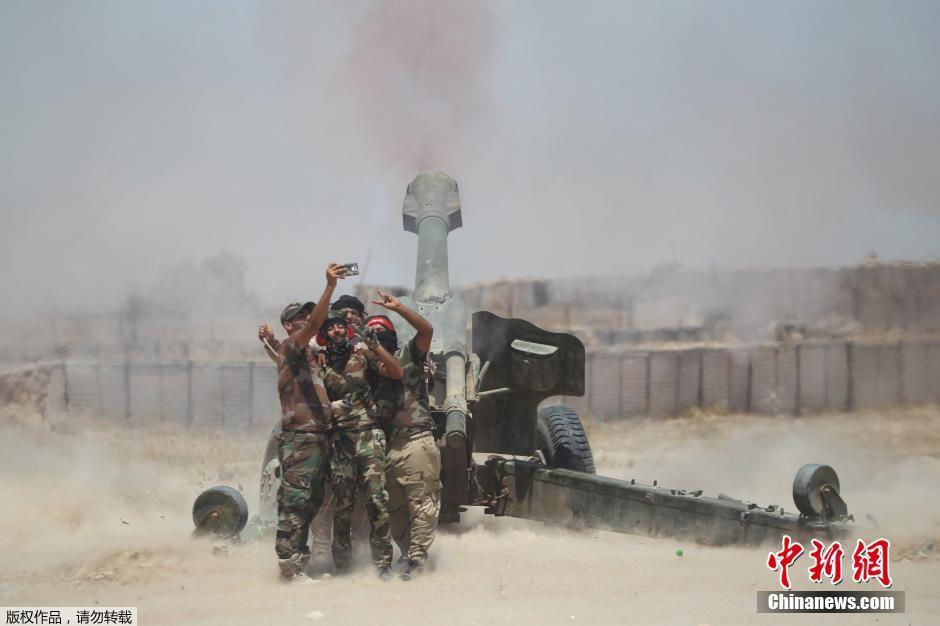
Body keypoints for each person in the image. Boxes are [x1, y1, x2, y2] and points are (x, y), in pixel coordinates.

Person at [271, 263, 346, 583]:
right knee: (295, 503)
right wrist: (330, 286)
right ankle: (289, 566)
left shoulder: (309, 356)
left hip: (316, 436)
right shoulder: (290, 347)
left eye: (307, 315)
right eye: (301, 317)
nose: (308, 320)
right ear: (289, 325)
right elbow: (317, 322)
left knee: (311, 502)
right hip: (300, 439)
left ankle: (298, 564)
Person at [321, 311, 403, 577]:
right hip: (341, 440)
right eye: (331, 328)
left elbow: (396, 371)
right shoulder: (321, 364)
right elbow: (313, 401)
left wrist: (374, 345)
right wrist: (333, 407)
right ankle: (343, 566)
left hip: (369, 435)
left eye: (340, 326)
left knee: (377, 501)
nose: (337, 330)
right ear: (324, 334)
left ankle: (383, 564)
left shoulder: (363, 356)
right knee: (343, 506)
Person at [369, 289, 440, 578]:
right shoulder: (369, 370)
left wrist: (399, 308)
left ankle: (418, 559)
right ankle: (407, 555)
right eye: (371, 334)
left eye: (380, 333)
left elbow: (427, 330)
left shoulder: (408, 356)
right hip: (389, 447)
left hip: (416, 440)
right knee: (395, 509)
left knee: (421, 504)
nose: (376, 338)